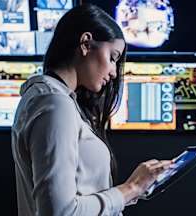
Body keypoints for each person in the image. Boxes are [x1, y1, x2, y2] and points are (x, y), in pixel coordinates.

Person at [11, 4, 173, 216]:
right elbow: (60, 212)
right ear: (86, 43)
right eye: (113, 57)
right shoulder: (55, 105)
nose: (114, 72)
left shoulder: (46, 98)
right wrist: (130, 188)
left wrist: (138, 187)